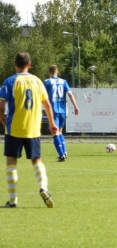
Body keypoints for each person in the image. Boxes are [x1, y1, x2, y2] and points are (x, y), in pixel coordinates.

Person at [0, 52, 58, 208]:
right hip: (33, 129)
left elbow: (1, 104)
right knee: (37, 161)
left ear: (14, 64)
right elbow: (47, 104)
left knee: (11, 162)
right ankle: (44, 188)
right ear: (29, 64)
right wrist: (52, 123)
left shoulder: (9, 81)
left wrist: (2, 119)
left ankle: (12, 201)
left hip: (14, 128)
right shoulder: (37, 81)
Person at [44, 65, 80, 162]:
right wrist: (76, 107)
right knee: (59, 132)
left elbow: (41, 95)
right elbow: (70, 94)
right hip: (63, 110)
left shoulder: (47, 82)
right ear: (57, 72)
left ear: (49, 72)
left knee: (54, 132)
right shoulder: (63, 82)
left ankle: (61, 155)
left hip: (53, 110)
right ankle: (64, 152)